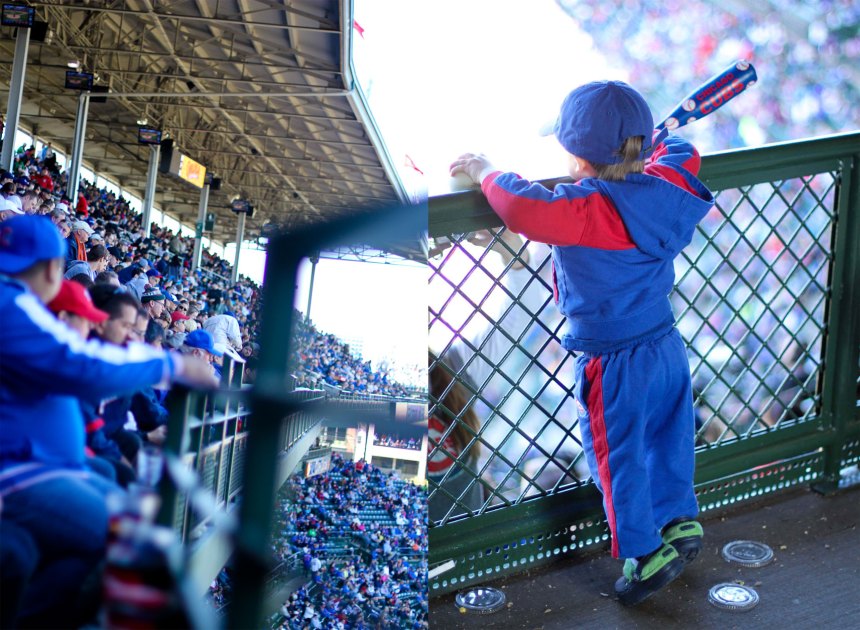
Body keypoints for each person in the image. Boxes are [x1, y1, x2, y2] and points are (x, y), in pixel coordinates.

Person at [450, 80, 715, 606]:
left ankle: (644, 554)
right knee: (667, 440)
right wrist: (654, 144)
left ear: (575, 155)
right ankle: (679, 523)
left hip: (613, 358)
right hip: (665, 345)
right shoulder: (666, 186)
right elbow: (687, 153)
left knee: (615, 461)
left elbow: (523, 207)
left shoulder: (587, 208)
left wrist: (484, 170)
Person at [0, 215, 218, 626]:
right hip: (23, 472)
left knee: (116, 533)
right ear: (51, 267)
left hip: (41, 468)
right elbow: (81, 363)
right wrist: (172, 364)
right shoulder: (12, 305)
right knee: (138, 542)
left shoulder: (13, 302)